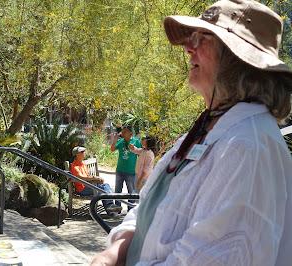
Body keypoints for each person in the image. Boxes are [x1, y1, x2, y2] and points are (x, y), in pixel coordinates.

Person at [91, 0, 292, 265]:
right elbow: (153, 209)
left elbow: (217, 257)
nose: (187, 48)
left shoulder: (247, 145)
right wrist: (115, 252)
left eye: (200, 39)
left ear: (235, 57)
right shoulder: (207, 129)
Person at [70, 146, 122, 215]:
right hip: (82, 189)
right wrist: (94, 178)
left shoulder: (82, 164)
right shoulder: (74, 166)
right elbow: (81, 178)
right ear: (77, 155)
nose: (84, 153)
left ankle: (110, 207)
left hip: (89, 186)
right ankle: (110, 208)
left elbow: (88, 176)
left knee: (105, 186)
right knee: (103, 189)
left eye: (84, 151)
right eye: (82, 152)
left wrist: (97, 179)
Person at [110, 125, 142, 209]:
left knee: (131, 192)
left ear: (130, 133)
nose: (122, 133)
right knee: (117, 191)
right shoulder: (121, 141)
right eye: (122, 131)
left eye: (125, 132)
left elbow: (141, 154)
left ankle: (130, 210)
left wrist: (134, 149)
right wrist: (114, 140)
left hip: (131, 171)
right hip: (120, 170)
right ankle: (117, 209)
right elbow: (112, 149)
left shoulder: (136, 141)